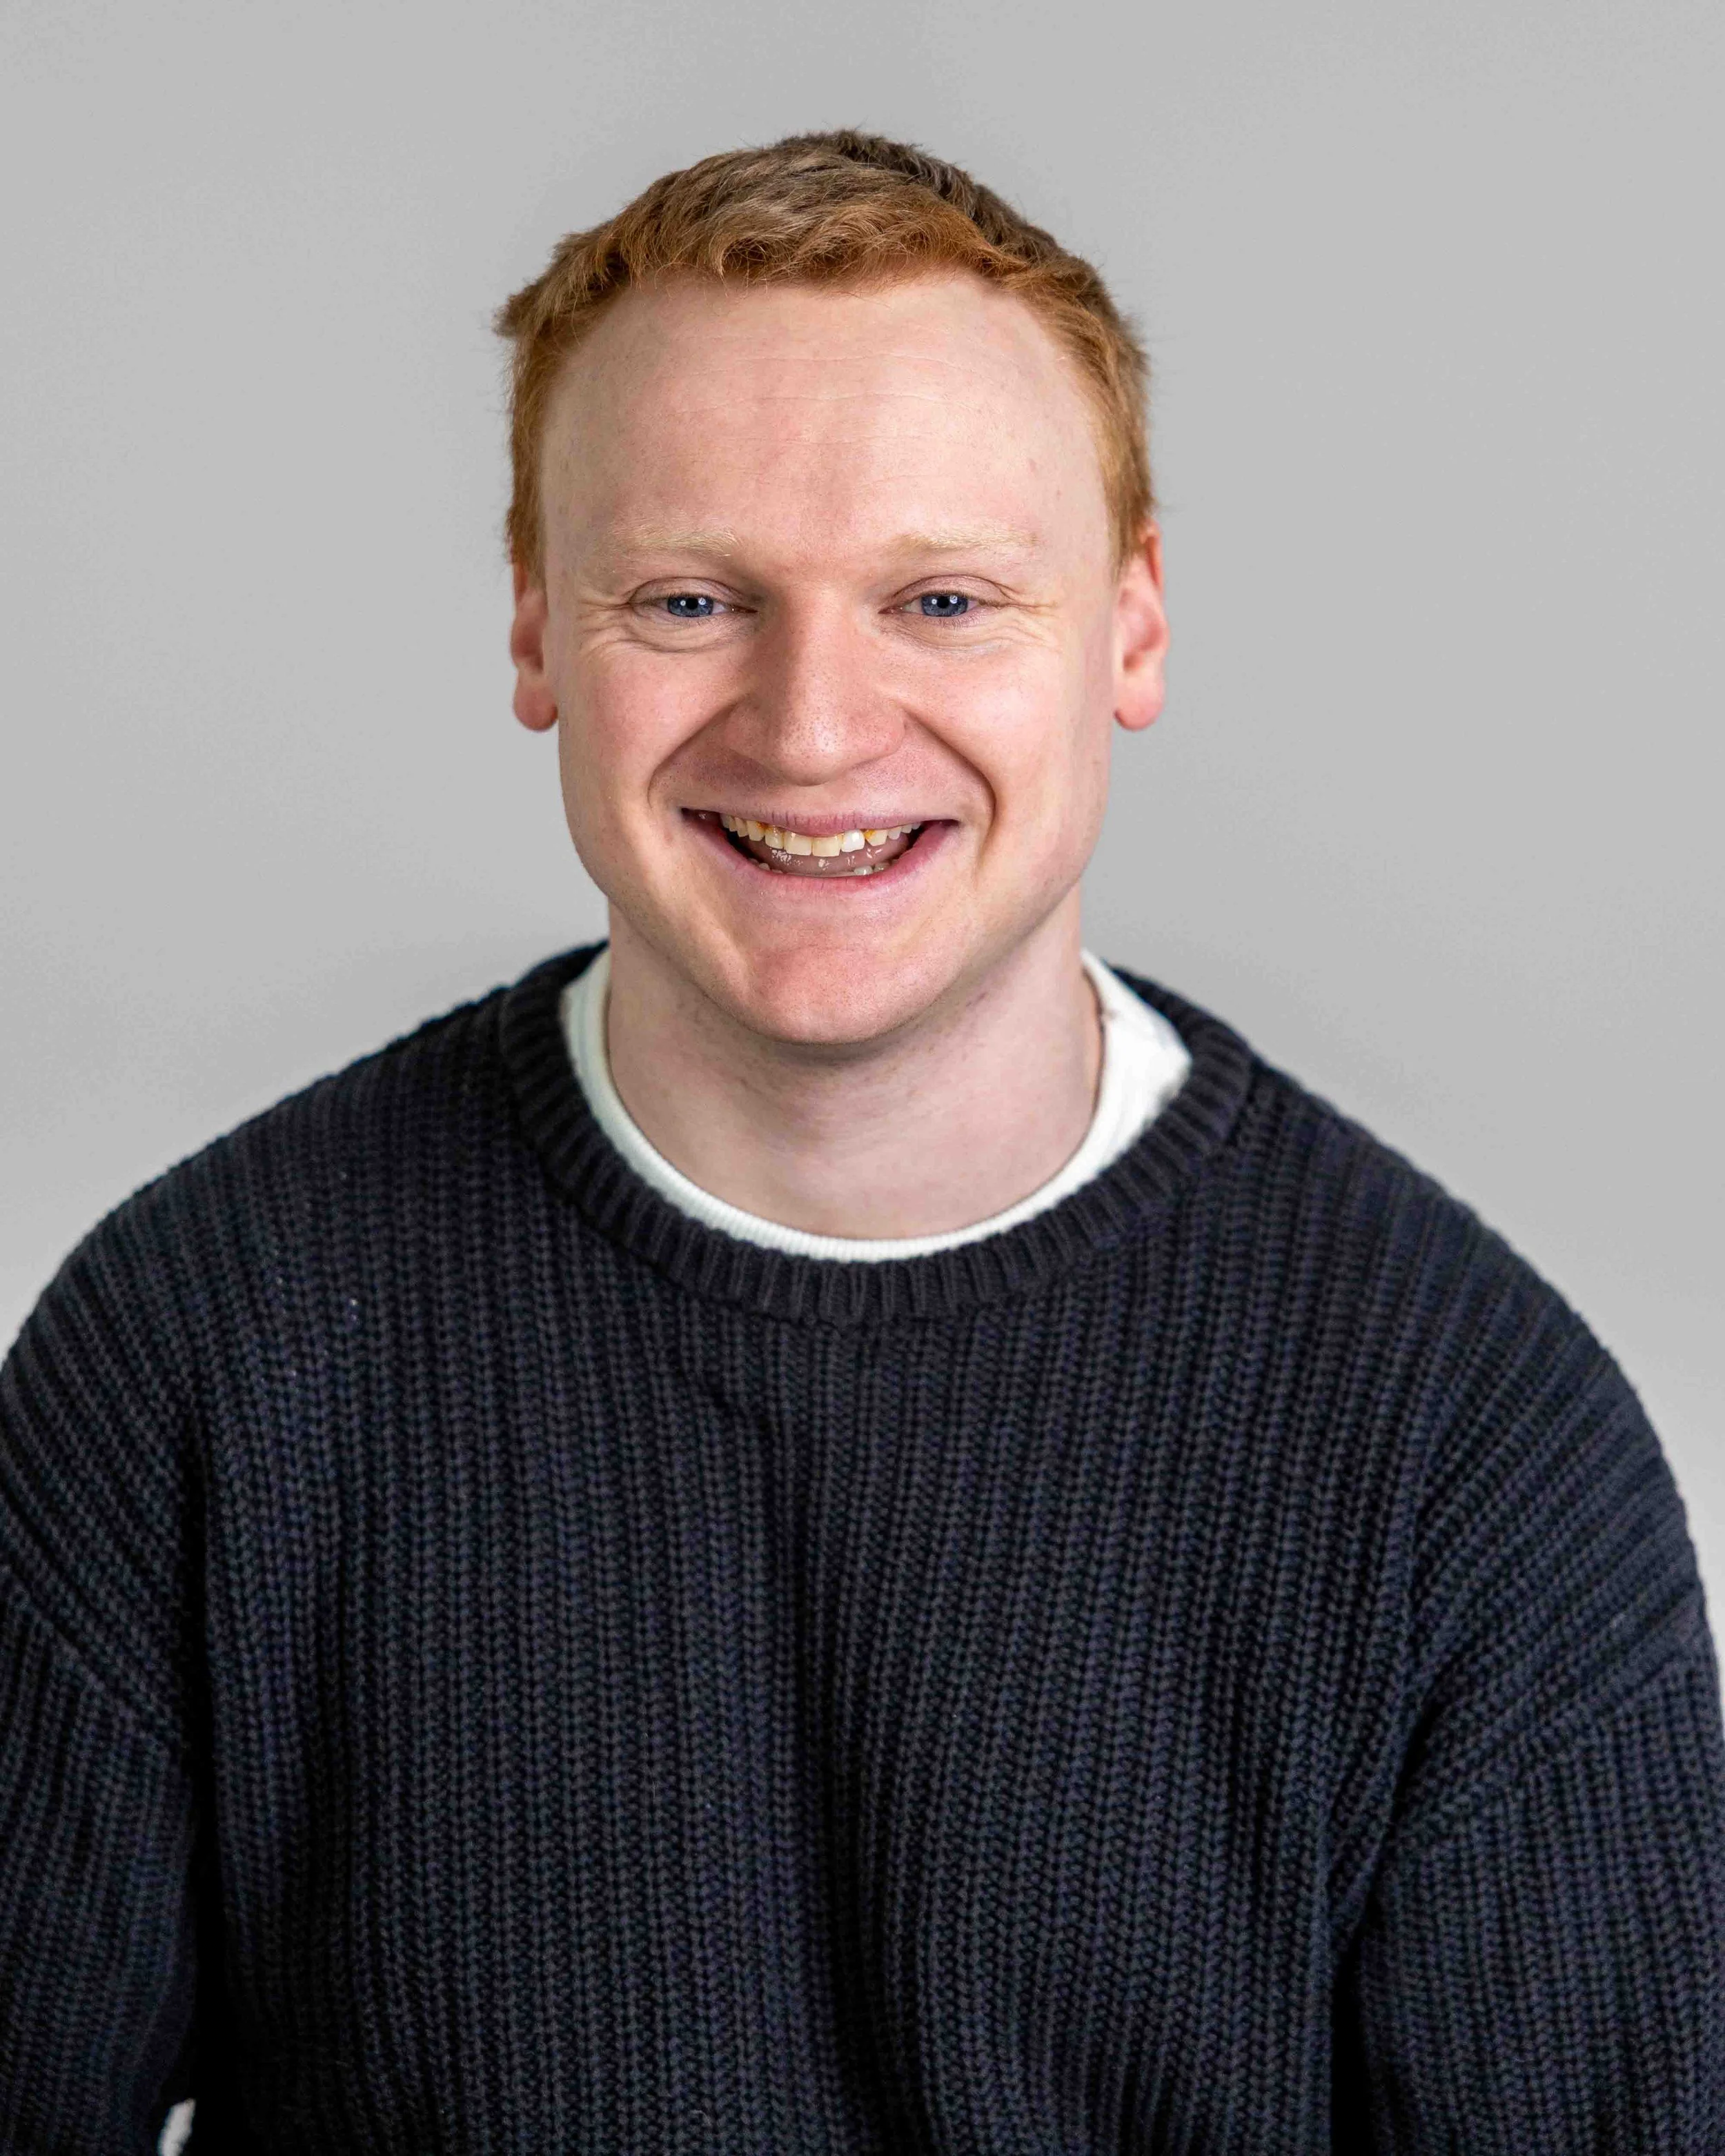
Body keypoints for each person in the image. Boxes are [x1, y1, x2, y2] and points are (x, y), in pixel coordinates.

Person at [1, 129, 1719, 2153]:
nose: (813, 726)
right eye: (691, 597)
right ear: (541, 630)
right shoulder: (196, 1351)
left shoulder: (1464, 1447)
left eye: (941, 597)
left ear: (1132, 628)